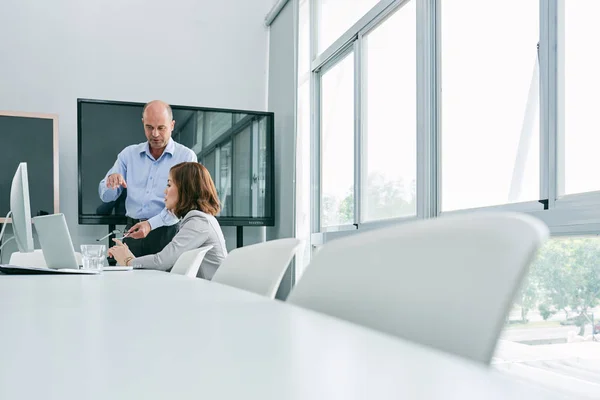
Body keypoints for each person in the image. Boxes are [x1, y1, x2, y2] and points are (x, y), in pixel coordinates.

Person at [98, 100, 197, 257]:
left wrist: (151, 224)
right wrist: (110, 182)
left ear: (172, 125)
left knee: (167, 281)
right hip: (133, 233)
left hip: (168, 233)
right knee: (129, 281)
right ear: (143, 123)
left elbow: (183, 204)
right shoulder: (128, 155)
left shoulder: (186, 157)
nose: (155, 134)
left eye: (161, 128)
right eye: (149, 127)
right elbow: (105, 196)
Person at [108, 162, 228, 279]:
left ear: (185, 189)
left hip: (212, 293)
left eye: (169, 185)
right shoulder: (197, 219)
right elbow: (168, 264)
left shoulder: (198, 221)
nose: (165, 191)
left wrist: (128, 261)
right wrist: (130, 257)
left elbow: (162, 262)